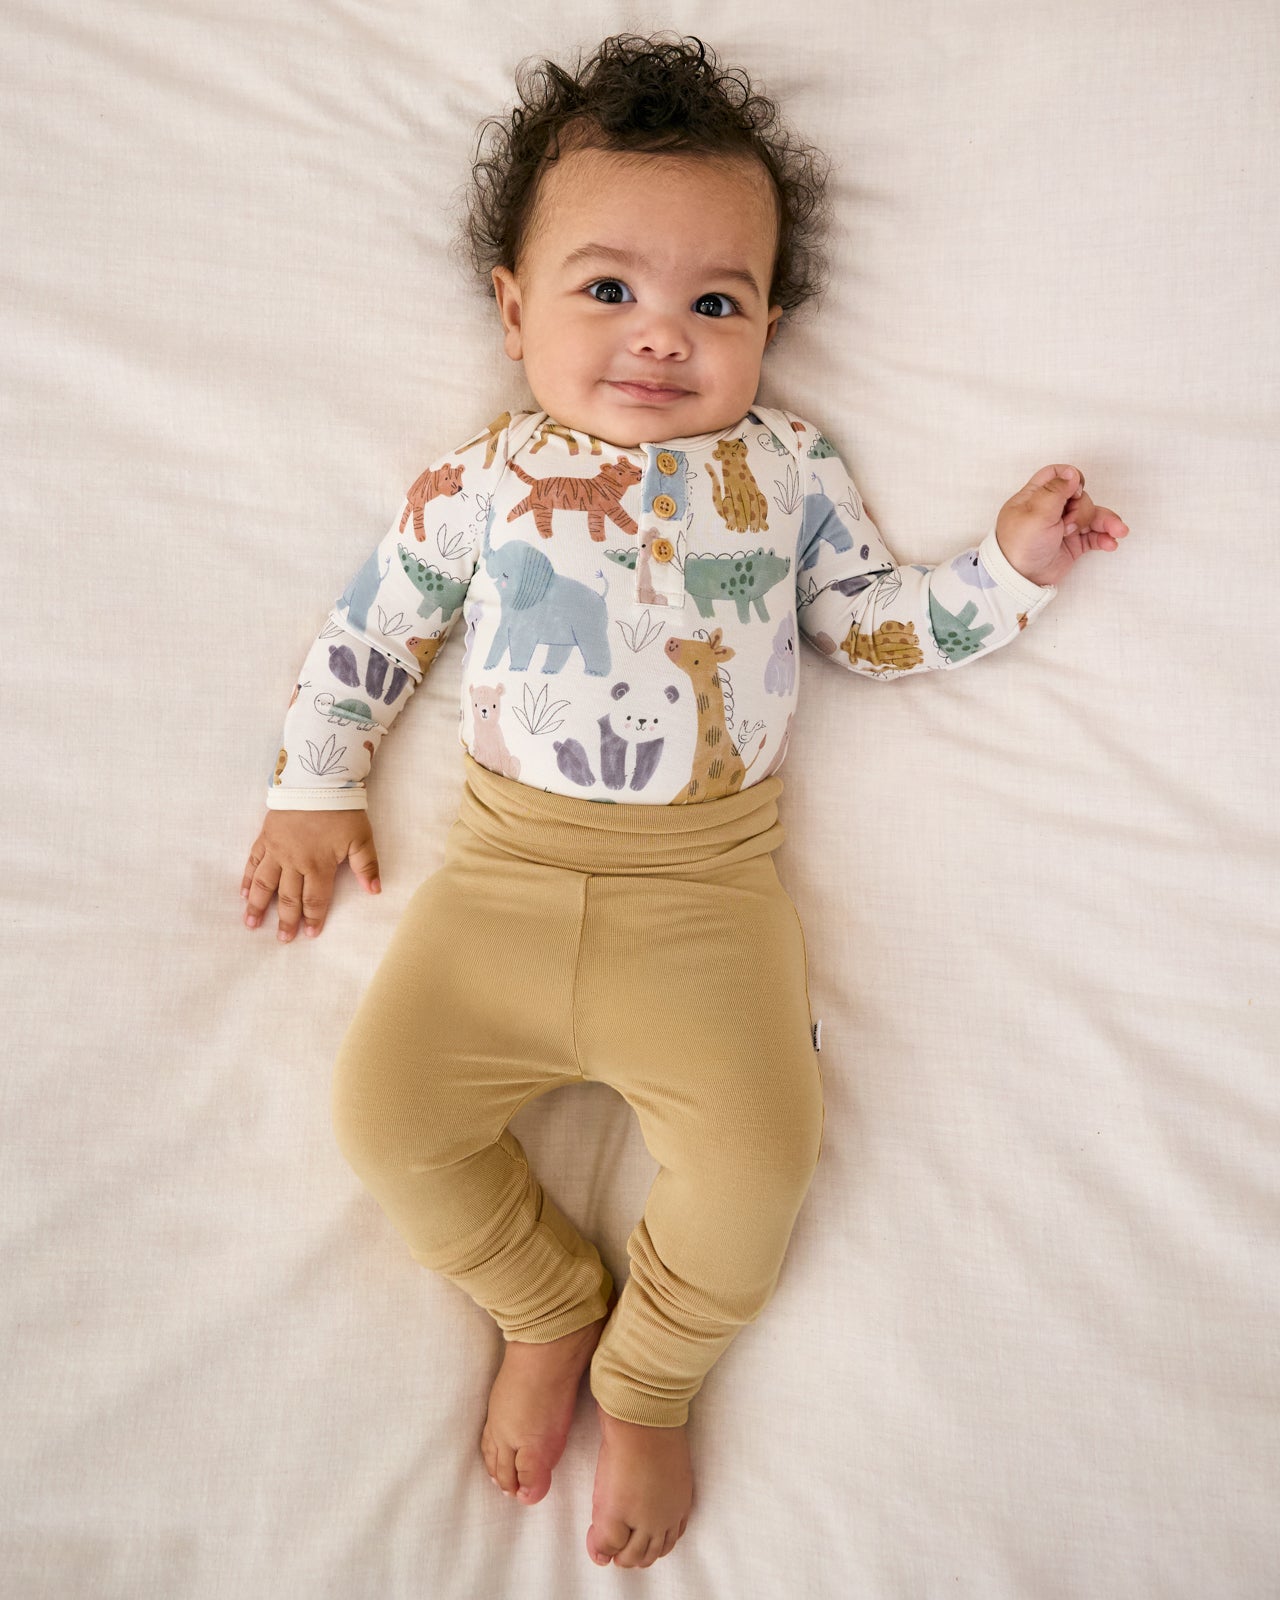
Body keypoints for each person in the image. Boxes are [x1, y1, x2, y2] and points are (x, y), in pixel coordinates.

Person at [239, 34, 1129, 1570]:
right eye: (607, 290)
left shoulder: (787, 472)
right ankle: (547, 1304)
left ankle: (649, 1376)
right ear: (513, 313)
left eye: (714, 303)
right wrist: (316, 782)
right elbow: (376, 627)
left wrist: (1008, 572)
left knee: (764, 1166)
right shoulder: (481, 481)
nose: (661, 336)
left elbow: (872, 628)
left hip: (708, 911)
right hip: (500, 890)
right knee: (384, 1118)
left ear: (769, 325)